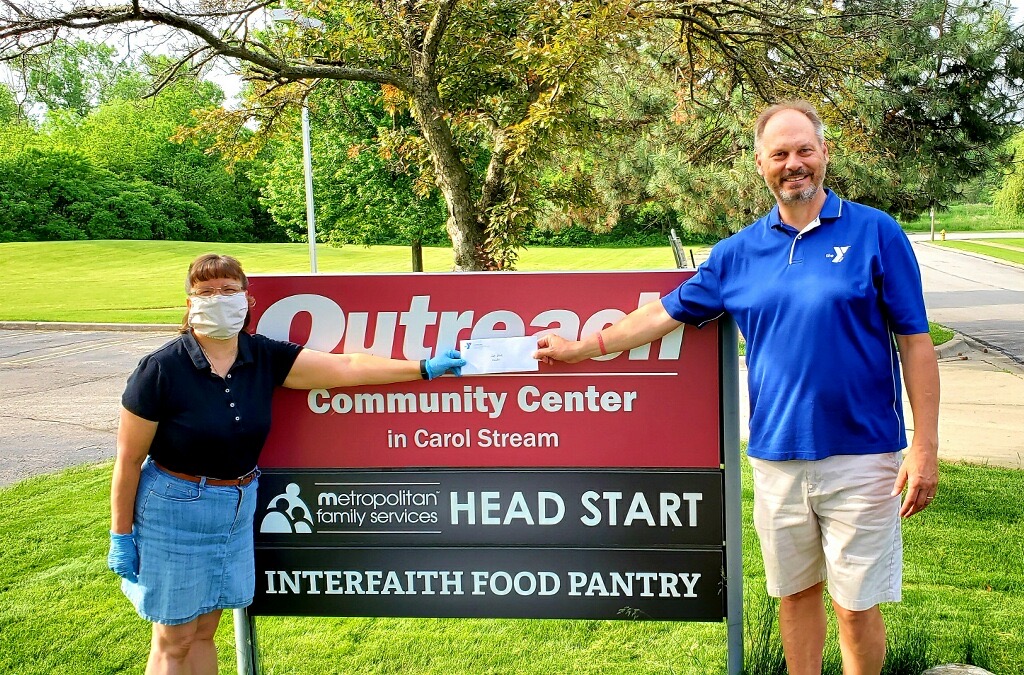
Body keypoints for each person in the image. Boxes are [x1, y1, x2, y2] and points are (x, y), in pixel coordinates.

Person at [535, 100, 939, 675]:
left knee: (855, 606)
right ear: (760, 164)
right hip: (777, 459)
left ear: (824, 154)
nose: (793, 163)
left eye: (804, 150)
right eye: (780, 154)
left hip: (864, 455)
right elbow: (660, 316)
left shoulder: (876, 232)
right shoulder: (736, 254)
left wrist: (924, 446)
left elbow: (916, 343)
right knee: (795, 597)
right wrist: (579, 348)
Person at [106, 253, 465, 674]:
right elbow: (129, 461)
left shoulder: (262, 356)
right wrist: (121, 534)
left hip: (236, 505)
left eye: (228, 290)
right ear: (189, 303)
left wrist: (423, 368)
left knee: (205, 630)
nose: (217, 299)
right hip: (174, 508)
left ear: (246, 299)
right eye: (205, 292)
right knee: (175, 639)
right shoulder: (160, 369)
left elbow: (347, 366)